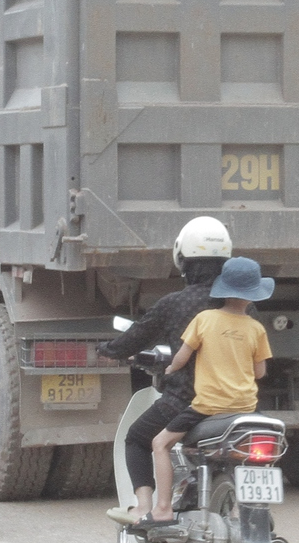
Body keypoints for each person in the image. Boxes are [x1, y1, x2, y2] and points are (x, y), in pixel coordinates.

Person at [100, 217, 233, 526]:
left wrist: (108, 350)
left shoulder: (175, 304)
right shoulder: (243, 306)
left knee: (136, 438)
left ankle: (145, 508)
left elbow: (136, 337)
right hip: (236, 403)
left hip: (186, 401)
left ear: (183, 260)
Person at [137, 256, 274, 527]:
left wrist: (169, 371)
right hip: (246, 407)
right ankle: (254, 510)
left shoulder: (204, 319)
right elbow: (260, 373)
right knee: (261, 448)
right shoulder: (256, 329)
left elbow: (181, 357)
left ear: (223, 289)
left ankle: (163, 509)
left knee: (159, 443)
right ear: (252, 295)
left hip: (207, 407)